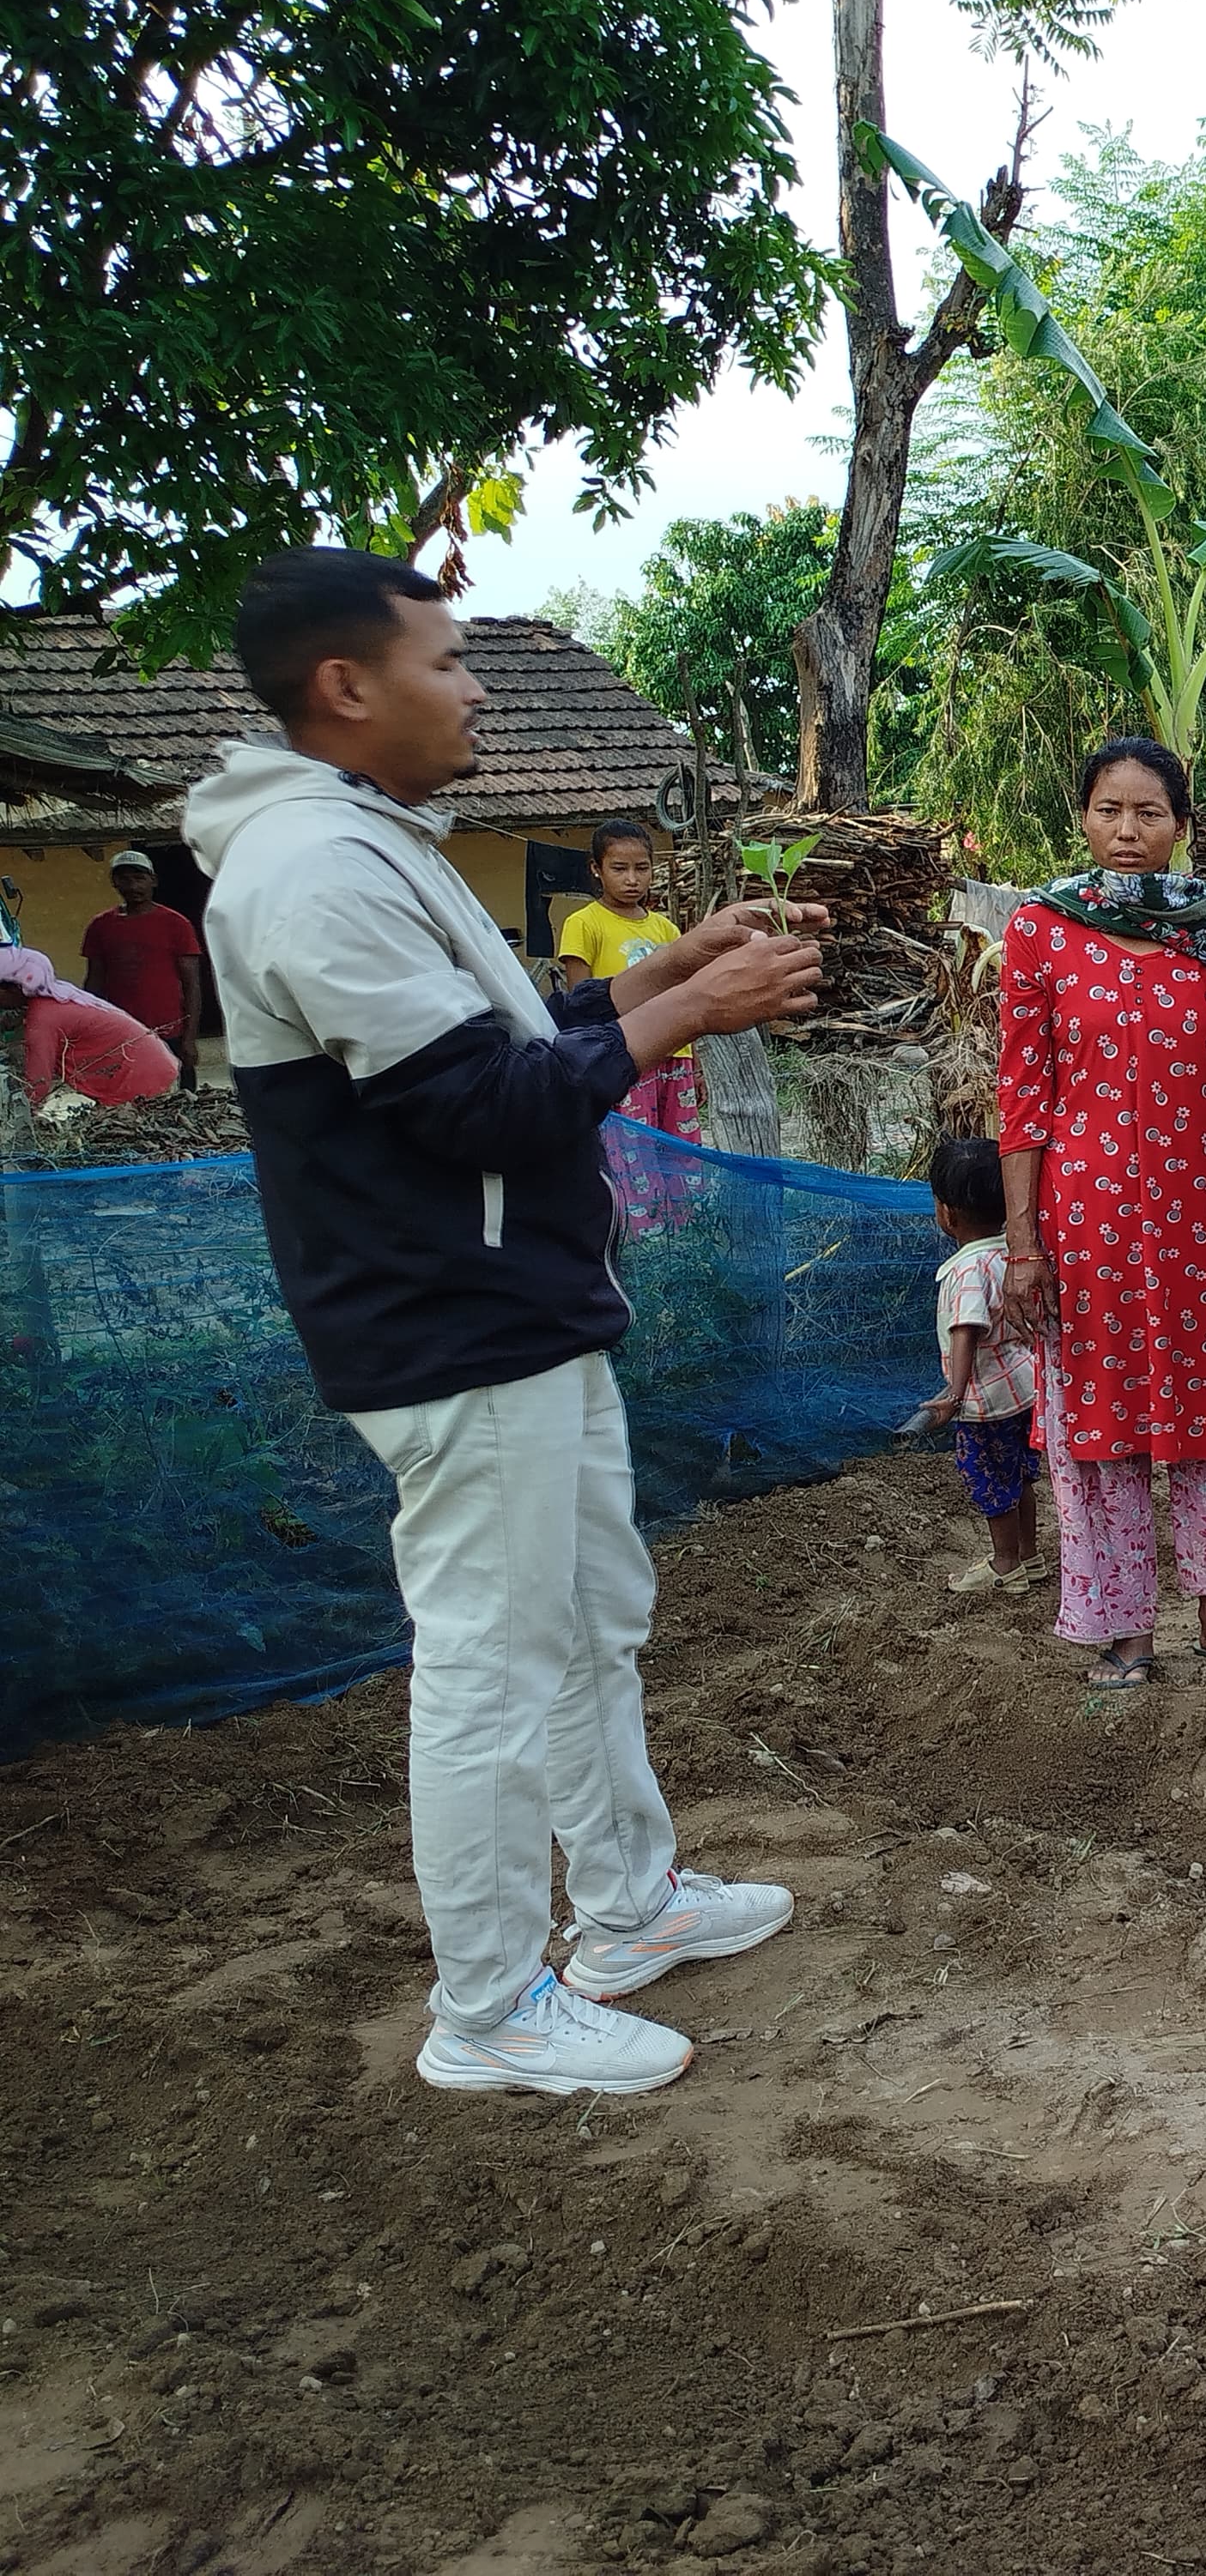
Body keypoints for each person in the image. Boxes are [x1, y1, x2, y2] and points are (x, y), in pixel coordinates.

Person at [186, 547, 824, 2096]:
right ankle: (487, 2010)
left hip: (516, 1310)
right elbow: (473, 1107)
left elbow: (499, 1040)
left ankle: (627, 1911)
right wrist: (690, 1014)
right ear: (347, 688)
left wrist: (654, 971)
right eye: (450, 661)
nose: (474, 689)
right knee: (490, 1662)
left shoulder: (366, 840)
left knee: (585, 1621)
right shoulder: (312, 871)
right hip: (450, 1326)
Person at [997, 737, 1206, 1692]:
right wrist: (1020, 1242)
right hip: (1080, 1225)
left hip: (1202, 1220)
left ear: (1180, 825)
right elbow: (1023, 1097)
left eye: (1149, 813)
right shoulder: (1041, 932)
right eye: (1108, 810)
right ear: (1081, 817)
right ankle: (1121, 1629)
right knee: (1100, 1424)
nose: (1127, 832)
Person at [914, 1134, 1044, 1596]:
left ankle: (1005, 1564)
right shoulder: (1015, 1255)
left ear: (947, 1213)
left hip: (985, 1403)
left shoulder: (965, 1271)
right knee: (1021, 1474)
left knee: (991, 1482)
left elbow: (965, 1327)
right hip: (1025, 1392)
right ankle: (1031, 1556)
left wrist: (953, 1393)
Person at [555, 820, 700, 1144]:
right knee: (631, 1154)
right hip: (625, 1054)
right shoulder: (583, 924)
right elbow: (580, 1005)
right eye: (619, 868)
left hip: (676, 1053)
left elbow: (685, 998)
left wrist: (696, 1063)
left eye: (642, 868)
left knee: (679, 1152)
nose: (632, 880)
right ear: (597, 869)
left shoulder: (666, 930)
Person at [1, 945, 180, 1107]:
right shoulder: (59, 996)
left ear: (16, 988)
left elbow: (37, 1085)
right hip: (151, 1067)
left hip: (142, 1079)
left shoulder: (43, 1018)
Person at [77, 848, 206, 1056]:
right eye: (125, 879)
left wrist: (190, 1038)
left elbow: (192, 985)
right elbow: (94, 982)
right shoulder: (100, 926)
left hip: (170, 1031)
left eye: (139, 878)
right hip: (122, 1030)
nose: (133, 886)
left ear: (153, 880)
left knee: (177, 1088)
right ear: (114, 882)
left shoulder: (176, 924)